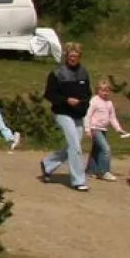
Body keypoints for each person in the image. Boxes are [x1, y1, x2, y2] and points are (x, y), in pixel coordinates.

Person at [39, 44, 93, 192]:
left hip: (78, 114)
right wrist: (66, 100)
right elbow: (49, 94)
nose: (73, 59)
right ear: (66, 57)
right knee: (75, 147)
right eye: (70, 56)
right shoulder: (57, 73)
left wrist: (82, 105)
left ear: (79, 57)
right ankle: (78, 181)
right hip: (62, 113)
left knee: (72, 146)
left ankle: (48, 163)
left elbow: (88, 94)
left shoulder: (84, 73)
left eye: (75, 56)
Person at [84, 82, 130, 182]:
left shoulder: (109, 103)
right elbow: (87, 115)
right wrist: (87, 129)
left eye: (107, 90)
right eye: (103, 90)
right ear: (98, 90)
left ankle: (90, 171)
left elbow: (112, 117)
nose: (105, 92)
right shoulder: (94, 101)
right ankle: (104, 172)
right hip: (95, 128)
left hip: (103, 129)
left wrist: (119, 129)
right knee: (106, 149)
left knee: (96, 150)